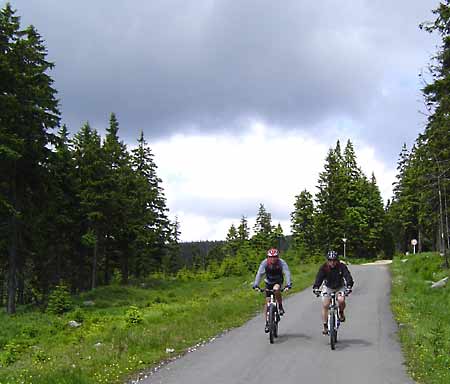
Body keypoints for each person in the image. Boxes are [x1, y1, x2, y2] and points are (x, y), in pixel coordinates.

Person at [312, 250, 354, 335]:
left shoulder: (341, 266)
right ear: (327, 260)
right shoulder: (324, 267)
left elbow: (347, 276)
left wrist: (349, 286)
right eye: (330, 260)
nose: (332, 262)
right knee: (325, 305)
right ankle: (325, 326)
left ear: (337, 260)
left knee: (341, 300)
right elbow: (319, 278)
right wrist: (316, 287)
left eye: (334, 260)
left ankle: (341, 312)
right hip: (328, 287)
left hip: (340, 286)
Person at [252, 248, 292, 332]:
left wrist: (288, 284)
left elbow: (287, 272)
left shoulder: (281, 263)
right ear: (268, 257)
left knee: (276, 289)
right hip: (268, 282)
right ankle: (267, 323)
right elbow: (259, 274)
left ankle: (280, 306)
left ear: (278, 257)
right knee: (267, 303)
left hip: (278, 281)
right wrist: (256, 284)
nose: (273, 259)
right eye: (271, 257)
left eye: (275, 257)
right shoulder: (264, 263)